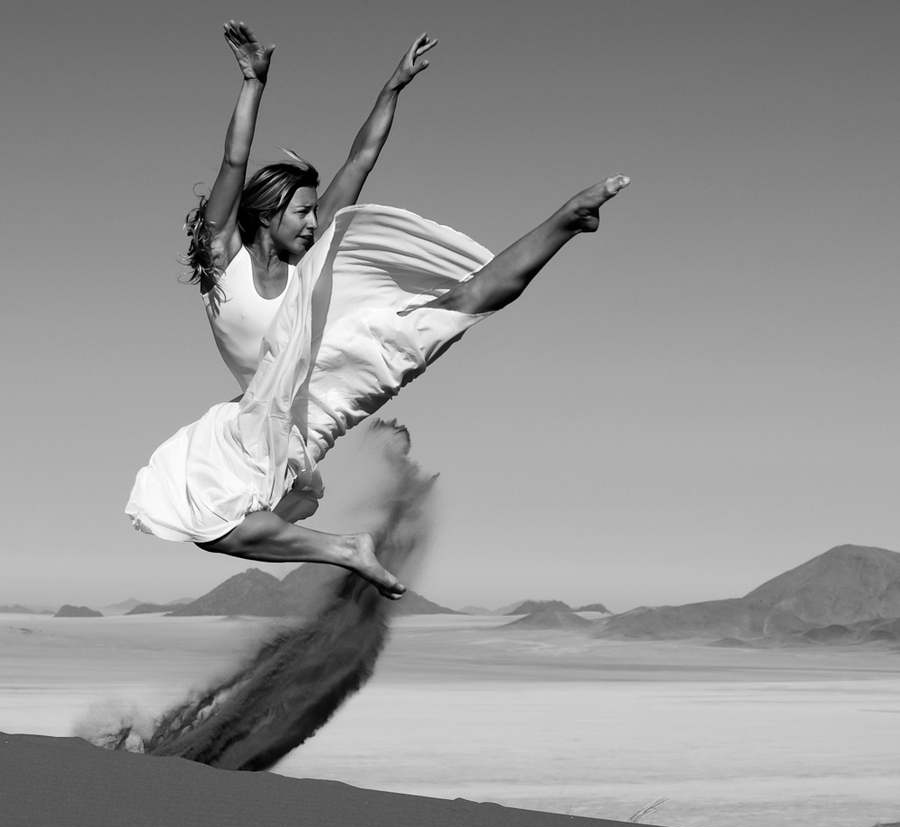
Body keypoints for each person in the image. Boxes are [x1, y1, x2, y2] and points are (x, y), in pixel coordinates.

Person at [126, 23, 630, 598]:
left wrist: (392, 88)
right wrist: (252, 83)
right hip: (271, 416)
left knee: (456, 306)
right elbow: (233, 159)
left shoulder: (303, 262)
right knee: (207, 523)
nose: (316, 224)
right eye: (304, 213)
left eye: (317, 213)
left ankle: (566, 220)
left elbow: (360, 159)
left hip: (326, 382)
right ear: (267, 213)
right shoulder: (223, 260)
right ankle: (343, 548)